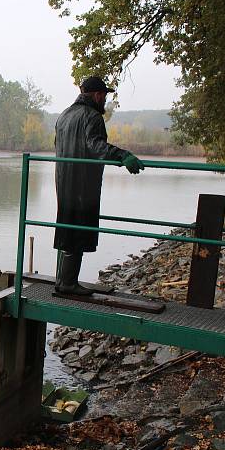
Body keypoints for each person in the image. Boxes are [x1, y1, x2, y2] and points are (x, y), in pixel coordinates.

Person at [54, 76, 144, 295]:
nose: (105, 100)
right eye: (104, 96)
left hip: (64, 181)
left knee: (69, 228)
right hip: (84, 184)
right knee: (79, 229)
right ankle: (68, 284)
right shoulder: (92, 116)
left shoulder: (64, 116)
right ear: (97, 95)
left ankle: (63, 281)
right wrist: (122, 155)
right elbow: (96, 147)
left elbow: (57, 145)